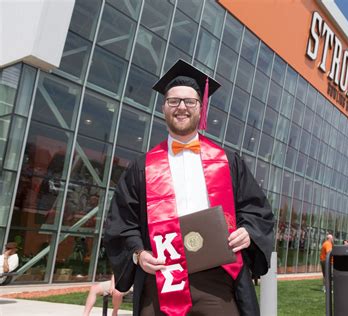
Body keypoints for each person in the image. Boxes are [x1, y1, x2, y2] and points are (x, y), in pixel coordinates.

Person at [104, 60, 274, 316]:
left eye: (189, 101)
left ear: (200, 107)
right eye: (173, 101)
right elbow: (121, 223)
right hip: (161, 280)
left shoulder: (228, 162)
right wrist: (139, 254)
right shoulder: (142, 168)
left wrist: (248, 232)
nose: (181, 107)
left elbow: (258, 211)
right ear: (163, 107)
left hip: (217, 283)